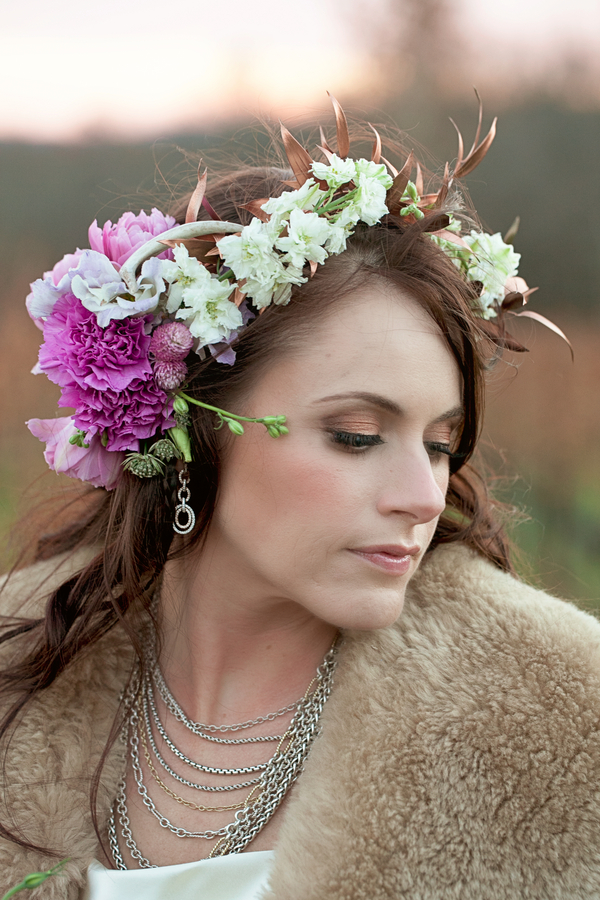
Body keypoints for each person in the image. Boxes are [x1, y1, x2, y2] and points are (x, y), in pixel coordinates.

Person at [0, 97, 599, 900]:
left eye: (440, 443)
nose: (425, 497)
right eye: (355, 435)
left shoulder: (560, 725)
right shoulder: (19, 674)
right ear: (193, 424)